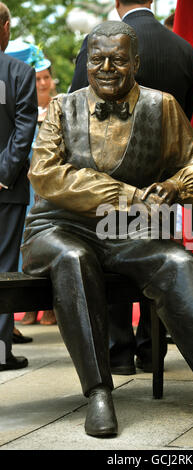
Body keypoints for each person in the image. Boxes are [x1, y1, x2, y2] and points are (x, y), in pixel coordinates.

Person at [21, 21, 193, 436]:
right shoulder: (61, 108)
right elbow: (46, 175)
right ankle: (99, 392)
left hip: (126, 231)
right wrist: (129, 195)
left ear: (136, 63)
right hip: (57, 228)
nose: (106, 68)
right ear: (85, 62)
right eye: (96, 59)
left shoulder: (163, 107)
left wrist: (177, 184)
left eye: (118, 60)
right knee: (75, 257)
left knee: (177, 261)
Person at [69, 0, 193, 375]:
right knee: (158, 259)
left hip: (108, 179)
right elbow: (185, 114)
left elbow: (81, 109)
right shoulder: (183, 48)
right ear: (153, 2)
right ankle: (151, 349)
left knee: (111, 260)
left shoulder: (101, 42)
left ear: (116, 3)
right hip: (162, 184)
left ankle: (119, 352)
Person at [0, 2, 37, 369]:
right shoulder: (19, 72)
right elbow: (25, 128)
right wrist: (4, 173)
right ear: (6, 27)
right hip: (6, 189)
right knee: (4, 267)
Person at [19, 45, 57, 327]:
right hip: (26, 184)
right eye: (37, 78)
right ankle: (28, 304)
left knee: (48, 240)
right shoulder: (23, 107)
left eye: (46, 77)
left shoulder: (61, 105)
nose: (43, 83)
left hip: (51, 186)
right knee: (25, 242)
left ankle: (51, 306)